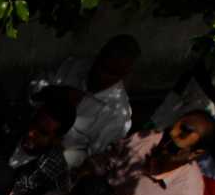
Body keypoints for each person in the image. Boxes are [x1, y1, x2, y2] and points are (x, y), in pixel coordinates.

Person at [80, 111, 215, 195]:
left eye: (173, 147)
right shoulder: (148, 139)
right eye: (166, 135)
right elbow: (102, 161)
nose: (162, 145)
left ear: (195, 153)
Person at [28, 35, 140, 167]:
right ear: (99, 54)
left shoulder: (117, 116)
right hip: (23, 140)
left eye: (111, 73)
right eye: (100, 65)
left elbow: (95, 161)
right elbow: (33, 89)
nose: (100, 74)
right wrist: (53, 93)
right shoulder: (73, 66)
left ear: (124, 74)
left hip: (53, 168)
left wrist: (60, 155)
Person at [9, 88, 78, 195]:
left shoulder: (55, 171)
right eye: (34, 123)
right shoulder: (10, 130)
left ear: (57, 139)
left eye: (42, 132)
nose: (31, 133)